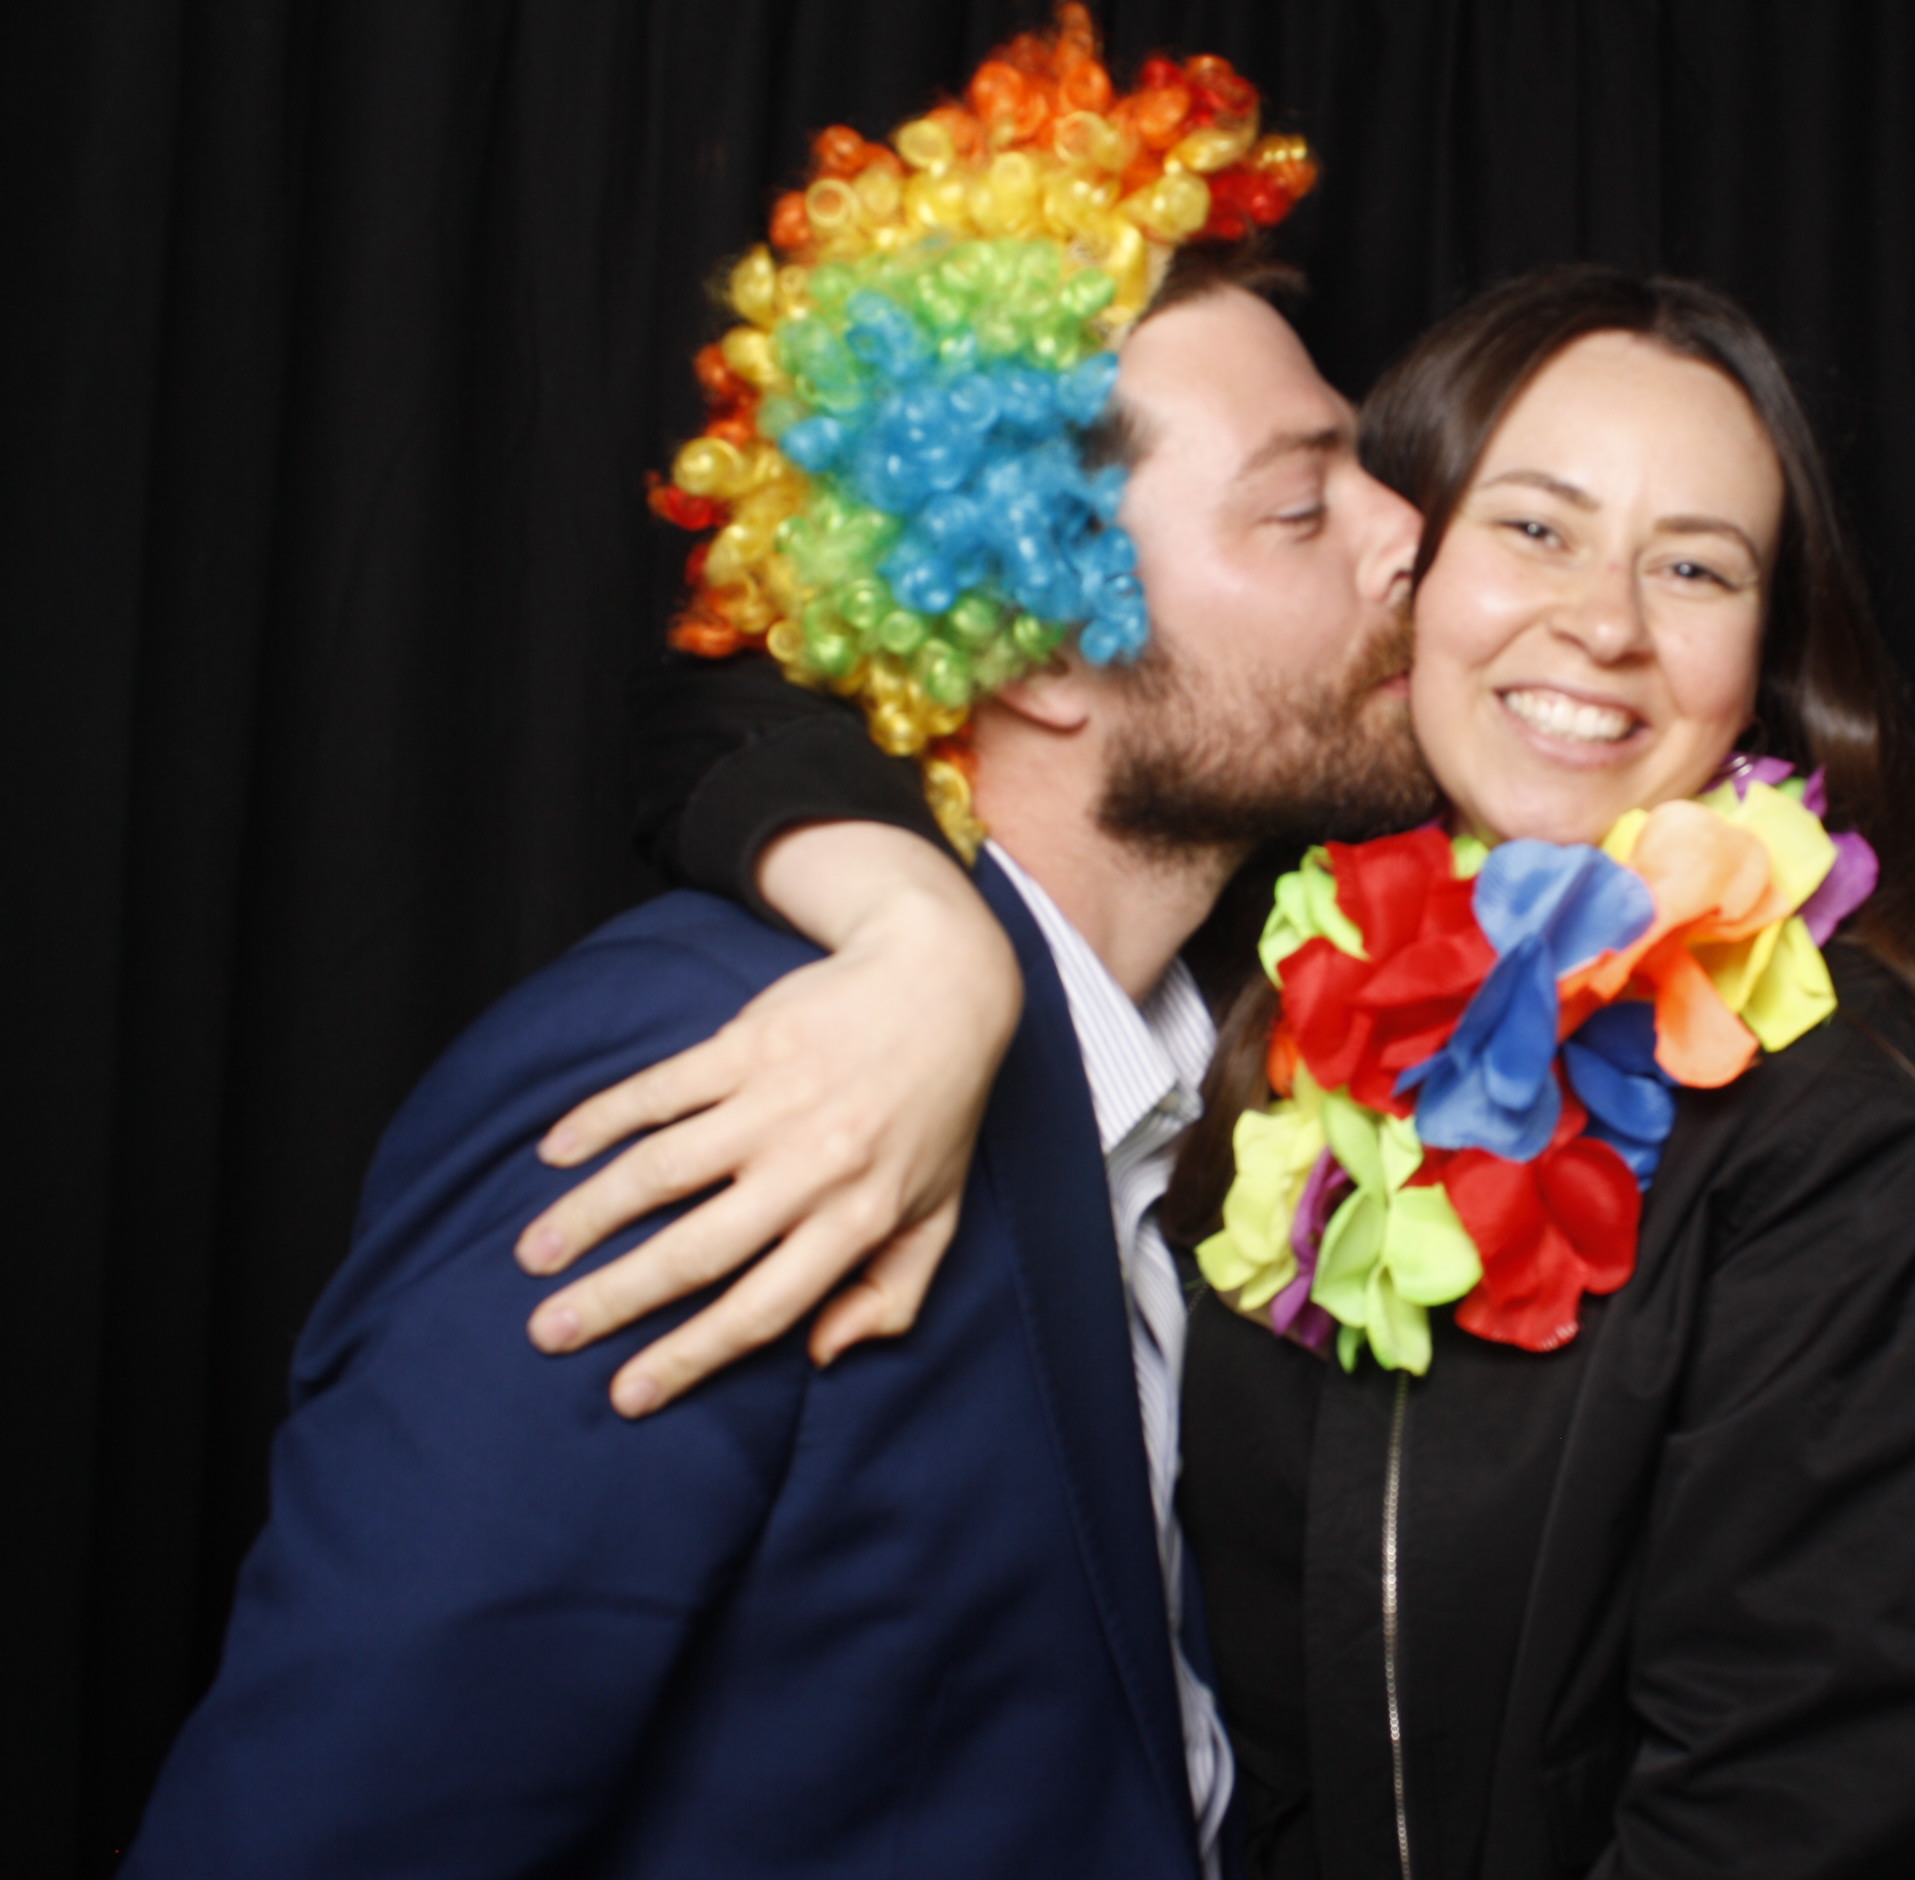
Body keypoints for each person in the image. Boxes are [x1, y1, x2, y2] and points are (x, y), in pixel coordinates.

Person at [532, 266, 1915, 1872]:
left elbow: (1804, 1787)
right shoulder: (1252, 954)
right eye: (1539, 529)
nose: (1609, 625)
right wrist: (915, 931)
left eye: (1695, 567)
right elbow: (725, 684)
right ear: (1398, 560)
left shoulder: (1851, 1113)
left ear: (1768, 651)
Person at [120, 17, 1430, 1874]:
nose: (1408, 537)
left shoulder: (1233, 1053)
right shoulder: (713, 1083)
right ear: (1043, 645)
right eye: (1302, 503)